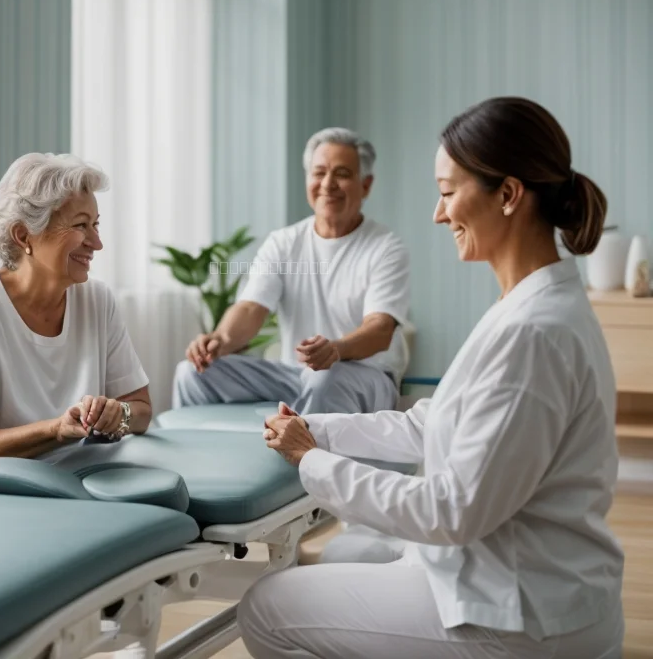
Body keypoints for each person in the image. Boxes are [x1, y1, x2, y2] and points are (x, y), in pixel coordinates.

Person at [238, 97, 625, 659]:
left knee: (266, 608)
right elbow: (435, 422)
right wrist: (320, 430)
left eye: (447, 193)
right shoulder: (527, 306)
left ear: (509, 195)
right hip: (533, 582)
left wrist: (311, 461)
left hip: (518, 614)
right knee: (349, 555)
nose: (438, 214)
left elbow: (450, 511)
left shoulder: (532, 333)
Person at [0, 153, 152, 488]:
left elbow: (141, 410)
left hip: (62, 478)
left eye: (96, 224)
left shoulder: (98, 301)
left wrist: (118, 416)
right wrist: (57, 429)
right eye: (81, 225)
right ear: (24, 236)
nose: (97, 243)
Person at [173, 127, 410, 416]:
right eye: (319, 172)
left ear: (366, 185)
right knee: (192, 372)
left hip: (365, 376)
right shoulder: (283, 242)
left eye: (343, 174)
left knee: (325, 378)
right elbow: (250, 308)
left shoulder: (385, 247)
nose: (328, 184)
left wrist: (336, 349)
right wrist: (219, 341)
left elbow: (380, 330)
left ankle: (305, 460)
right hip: (296, 375)